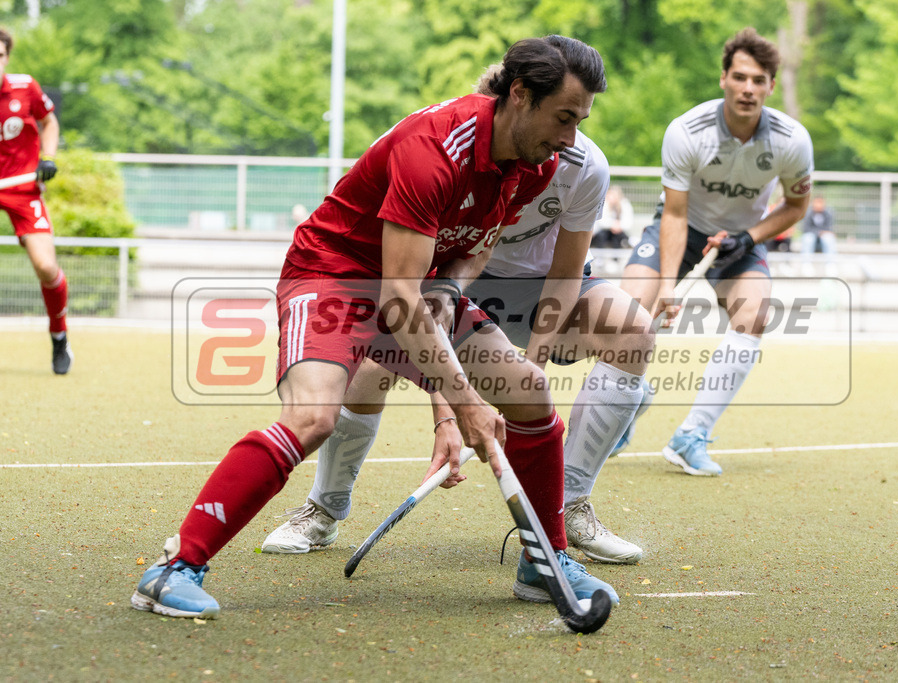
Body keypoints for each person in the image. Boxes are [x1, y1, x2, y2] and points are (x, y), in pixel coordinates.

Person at [131, 35, 619, 620]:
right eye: (564, 118)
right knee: (314, 417)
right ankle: (175, 568)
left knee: (528, 390)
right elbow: (395, 299)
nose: (571, 139)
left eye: (579, 122)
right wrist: (461, 402)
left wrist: (448, 290)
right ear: (519, 95)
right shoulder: (433, 147)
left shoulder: (535, 164)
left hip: (412, 282)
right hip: (334, 275)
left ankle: (546, 562)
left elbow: (471, 250)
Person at [261, 68, 655, 566]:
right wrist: (448, 415)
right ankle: (324, 507)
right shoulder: (442, 151)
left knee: (632, 331)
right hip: (455, 282)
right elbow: (419, 301)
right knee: (369, 369)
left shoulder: (579, 163)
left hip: (540, 291)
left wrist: (529, 379)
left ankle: (567, 504)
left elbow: (567, 272)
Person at [617, 27, 813, 475]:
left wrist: (750, 236)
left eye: (758, 80)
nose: (748, 88)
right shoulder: (687, 131)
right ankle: (623, 408)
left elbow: (797, 206)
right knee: (626, 319)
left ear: (771, 86)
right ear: (723, 77)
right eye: (740, 77)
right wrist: (668, 287)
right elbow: (674, 214)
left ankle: (693, 435)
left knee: (754, 317)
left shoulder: (791, 140)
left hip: (739, 242)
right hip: (681, 230)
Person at [0, 28, 71, 374]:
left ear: (7, 57)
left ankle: (59, 336)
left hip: (22, 188)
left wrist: (49, 157)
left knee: (45, 267)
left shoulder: (25, 86)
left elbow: (49, 121)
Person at [590, 184, 633, 249]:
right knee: (600, 237)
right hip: (604, 231)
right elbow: (601, 221)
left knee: (619, 238)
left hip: (619, 232)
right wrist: (612, 225)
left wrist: (619, 226)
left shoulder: (624, 204)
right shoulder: (604, 204)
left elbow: (628, 222)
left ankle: (616, 258)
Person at [800, 195, 836, 261]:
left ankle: (830, 264)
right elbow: (806, 229)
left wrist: (822, 233)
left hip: (823, 239)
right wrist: (819, 232)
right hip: (812, 238)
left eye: (820, 202)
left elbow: (829, 228)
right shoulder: (808, 213)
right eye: (817, 202)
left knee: (829, 238)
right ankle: (806, 263)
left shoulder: (828, 213)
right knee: (808, 238)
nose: (819, 205)